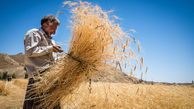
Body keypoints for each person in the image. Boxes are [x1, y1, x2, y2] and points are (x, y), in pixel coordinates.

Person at [23, 14, 63, 109]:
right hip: (38, 78)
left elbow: (52, 60)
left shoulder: (51, 41)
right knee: (36, 106)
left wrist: (64, 58)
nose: (54, 32)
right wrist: (50, 48)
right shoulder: (34, 34)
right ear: (46, 24)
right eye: (53, 28)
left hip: (50, 78)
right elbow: (30, 51)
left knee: (54, 105)